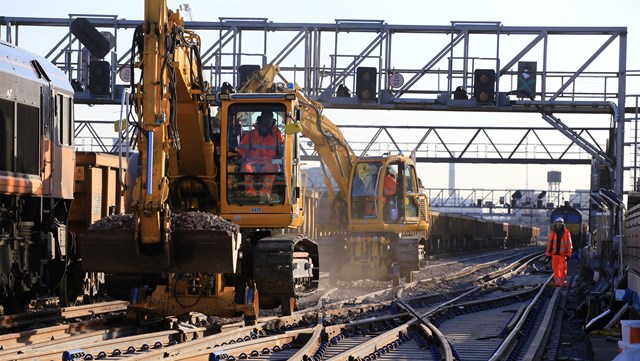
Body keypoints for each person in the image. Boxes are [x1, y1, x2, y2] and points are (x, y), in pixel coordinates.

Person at [237, 111, 284, 201]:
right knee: (247, 169)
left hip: (269, 162)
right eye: (265, 119)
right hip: (252, 161)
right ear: (260, 119)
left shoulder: (278, 136)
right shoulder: (250, 135)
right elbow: (242, 149)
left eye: (269, 119)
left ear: (272, 121)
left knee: (269, 171)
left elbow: (285, 148)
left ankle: (265, 194)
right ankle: (250, 194)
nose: (266, 121)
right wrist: (241, 160)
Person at [546, 217, 573, 287]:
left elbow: (569, 244)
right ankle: (558, 283)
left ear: (562, 224)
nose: (558, 225)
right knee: (556, 269)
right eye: (557, 224)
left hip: (563, 255)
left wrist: (568, 254)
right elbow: (549, 244)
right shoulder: (552, 232)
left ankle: (563, 283)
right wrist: (548, 254)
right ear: (555, 224)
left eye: (560, 224)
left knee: (562, 269)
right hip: (554, 255)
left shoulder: (567, 233)